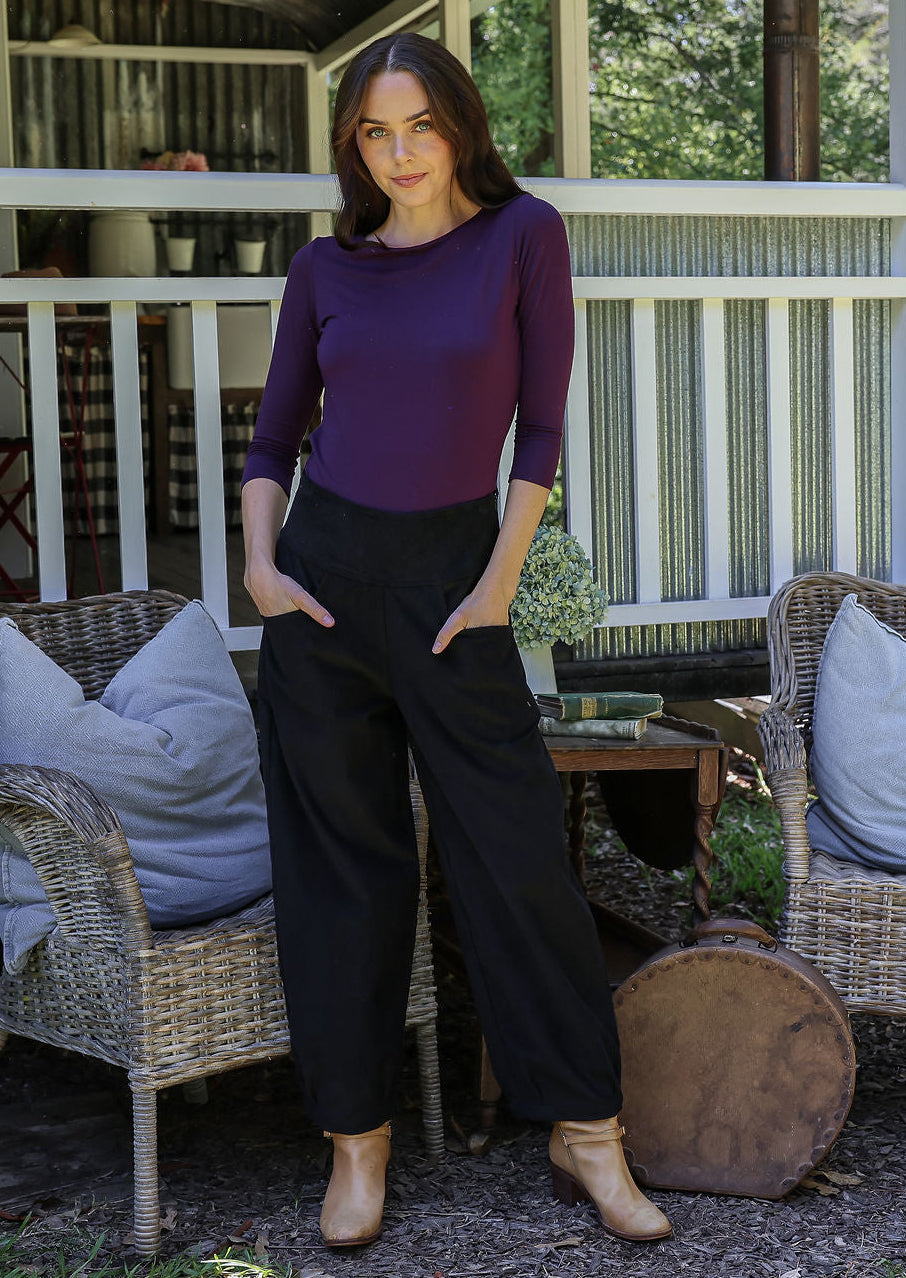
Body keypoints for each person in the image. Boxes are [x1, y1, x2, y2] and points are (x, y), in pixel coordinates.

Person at [240, 31, 672, 1250]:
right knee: (342, 876)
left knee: (517, 853)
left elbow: (539, 430)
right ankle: (357, 1143)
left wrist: (495, 586)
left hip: (454, 585)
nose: (398, 154)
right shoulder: (326, 267)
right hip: (322, 589)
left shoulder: (522, 235)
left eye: (418, 126)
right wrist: (261, 567)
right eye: (373, 134)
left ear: (460, 126)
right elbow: (274, 440)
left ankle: (587, 1130)